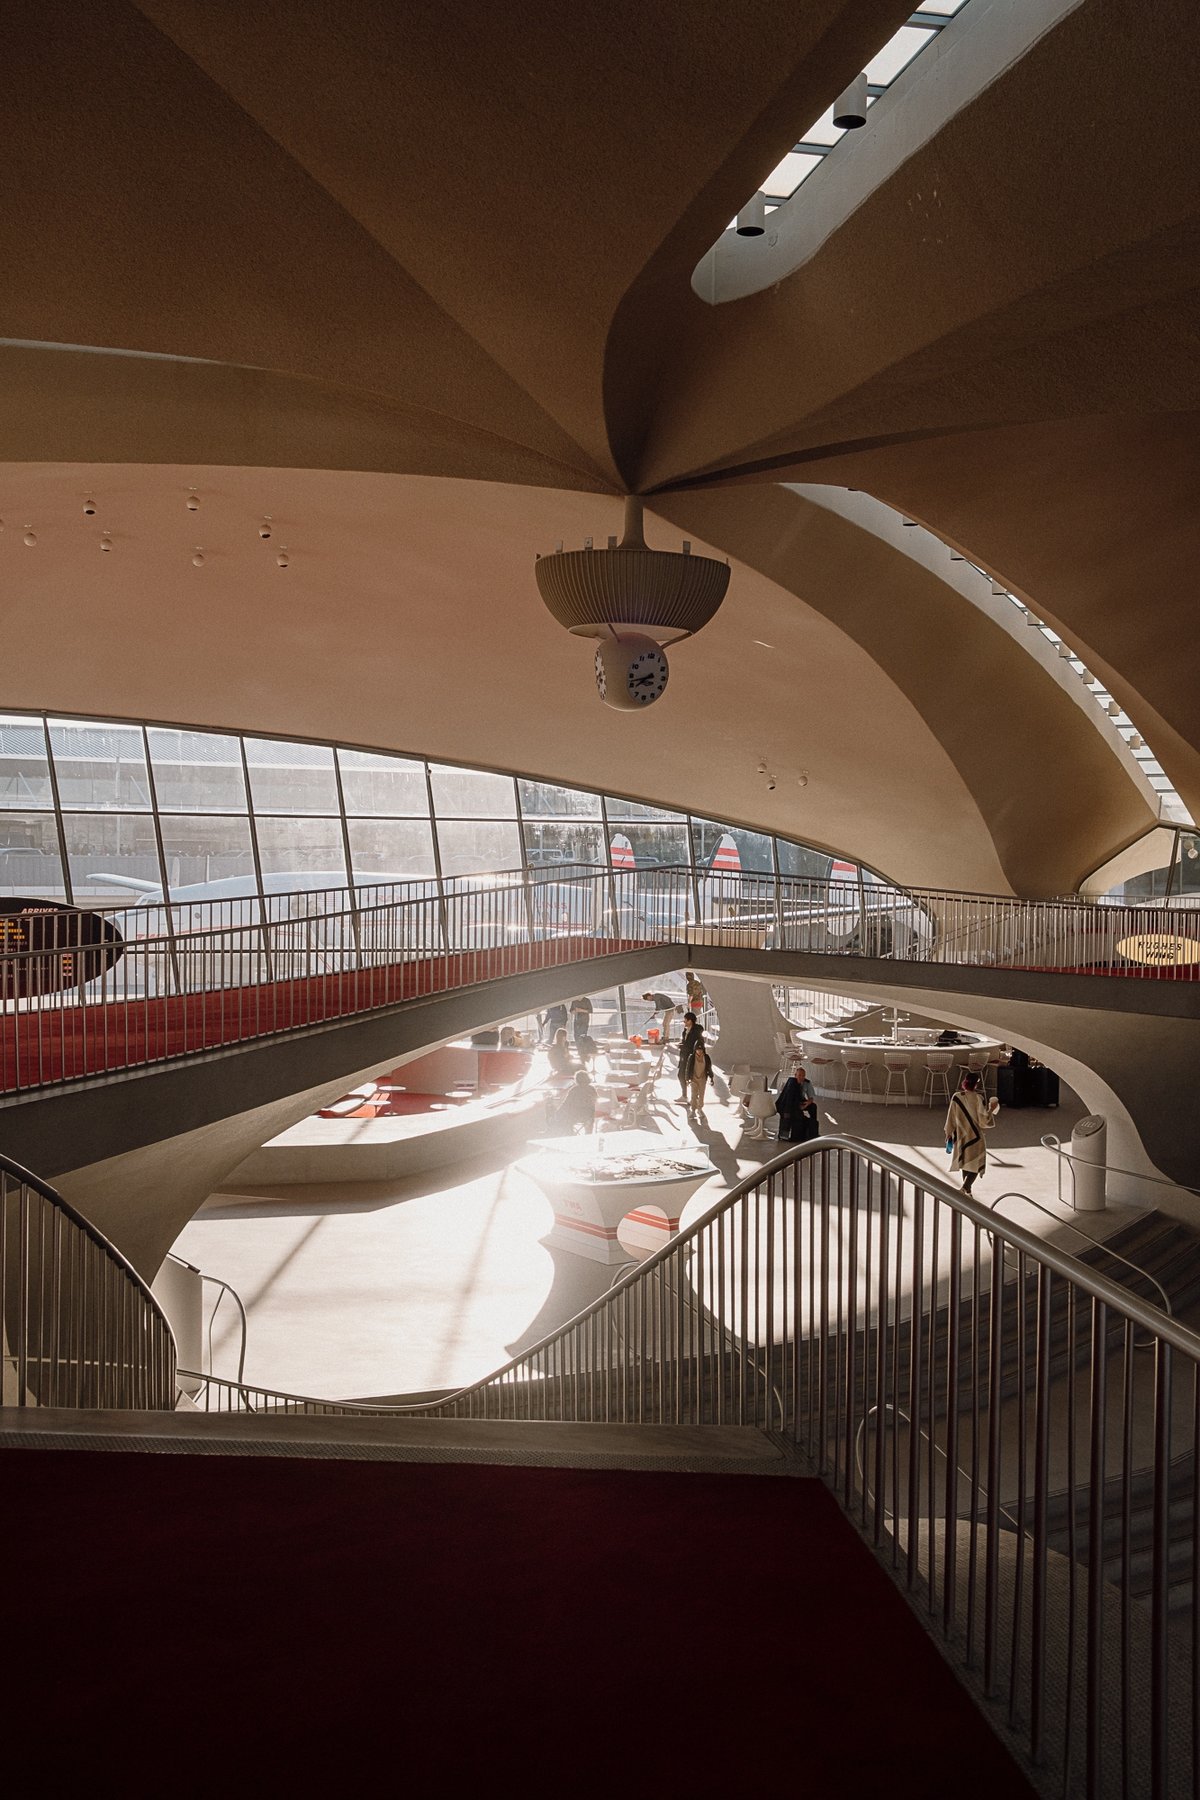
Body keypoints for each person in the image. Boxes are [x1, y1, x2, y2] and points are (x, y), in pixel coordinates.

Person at [944, 1070, 998, 1194]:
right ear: (976, 1084)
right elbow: (984, 1121)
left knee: (965, 1163)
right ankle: (965, 1188)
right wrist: (991, 1109)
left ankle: (967, 1190)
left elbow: (950, 1116)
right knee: (975, 1164)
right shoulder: (978, 1098)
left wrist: (949, 1132)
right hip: (975, 1137)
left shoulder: (957, 1097)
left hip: (961, 1136)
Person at [775, 1066, 818, 1142]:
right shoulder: (791, 1083)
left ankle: (812, 1129)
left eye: (803, 1076)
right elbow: (788, 1098)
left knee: (813, 1107)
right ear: (795, 1075)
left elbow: (811, 1097)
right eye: (799, 1075)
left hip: (802, 1101)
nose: (801, 1077)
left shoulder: (807, 1083)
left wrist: (807, 1103)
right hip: (791, 1104)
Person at [551, 1069, 596, 1135]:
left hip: (576, 1115)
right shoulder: (592, 1089)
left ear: (577, 1080)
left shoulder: (574, 1090)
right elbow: (596, 1101)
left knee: (565, 1119)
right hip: (589, 1115)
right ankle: (588, 1134)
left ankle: (570, 1134)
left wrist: (558, 1112)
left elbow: (566, 1103)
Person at [677, 1011, 703, 1101]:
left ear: (690, 1021)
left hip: (691, 1057)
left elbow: (692, 1045)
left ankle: (693, 1097)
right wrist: (681, 1045)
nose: (684, 1022)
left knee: (690, 1077)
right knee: (681, 1075)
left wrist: (682, 1046)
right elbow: (686, 1043)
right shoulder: (685, 1031)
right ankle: (685, 1095)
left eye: (685, 1020)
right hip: (684, 1056)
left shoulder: (696, 1032)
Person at [688, 1032, 712, 1114]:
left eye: (701, 1050)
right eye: (697, 1050)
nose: (699, 1051)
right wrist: (687, 1078)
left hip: (702, 1079)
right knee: (693, 1095)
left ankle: (700, 1109)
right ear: (695, 1049)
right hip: (694, 1078)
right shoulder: (692, 1057)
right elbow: (688, 1069)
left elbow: (709, 1068)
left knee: (701, 1095)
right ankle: (693, 1110)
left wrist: (711, 1078)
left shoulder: (706, 1057)